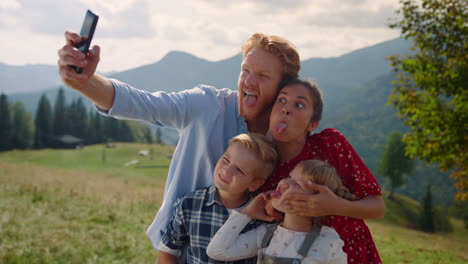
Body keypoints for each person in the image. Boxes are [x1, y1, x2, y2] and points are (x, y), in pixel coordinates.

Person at [57, 32, 301, 250]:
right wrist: (86, 80)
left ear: (284, 87)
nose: (248, 82)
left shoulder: (289, 137)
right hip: (178, 251)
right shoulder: (206, 104)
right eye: (245, 70)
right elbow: (142, 104)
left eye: (262, 76)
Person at [259, 78, 386, 264]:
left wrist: (335, 206)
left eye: (299, 104)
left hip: (353, 253)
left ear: (313, 124)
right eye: (282, 100)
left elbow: (378, 208)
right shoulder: (264, 163)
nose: (286, 109)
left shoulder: (331, 145)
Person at [158, 133, 278, 263]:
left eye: (239, 170)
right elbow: (168, 249)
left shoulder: (260, 217)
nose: (226, 171)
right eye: (226, 159)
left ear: (255, 184)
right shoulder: (189, 204)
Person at [207, 159, 353, 264]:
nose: (284, 182)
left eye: (296, 184)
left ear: (316, 202)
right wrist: (246, 213)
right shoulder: (267, 234)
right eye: (289, 177)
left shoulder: (327, 242)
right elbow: (217, 251)